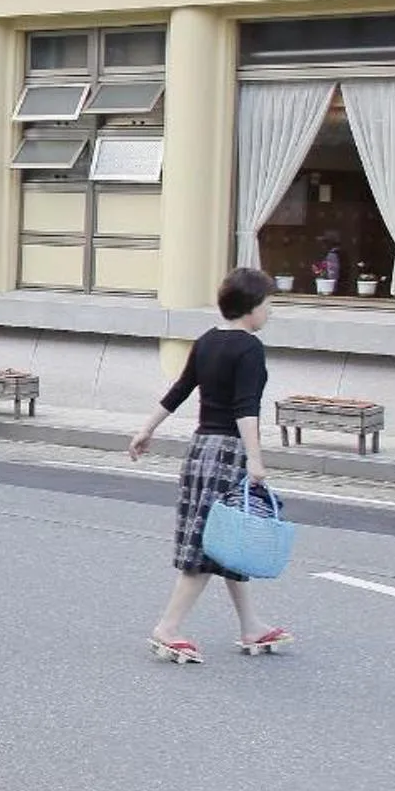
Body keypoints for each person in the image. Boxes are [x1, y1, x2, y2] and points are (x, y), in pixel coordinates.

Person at [128, 266, 293, 663]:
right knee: (208, 545)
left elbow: (180, 390)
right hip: (228, 453)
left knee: (229, 540)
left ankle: (251, 625)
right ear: (251, 307)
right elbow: (245, 409)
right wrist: (255, 459)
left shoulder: (206, 341)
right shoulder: (250, 348)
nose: (270, 312)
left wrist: (146, 429)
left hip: (200, 449)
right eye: (268, 304)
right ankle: (168, 628)